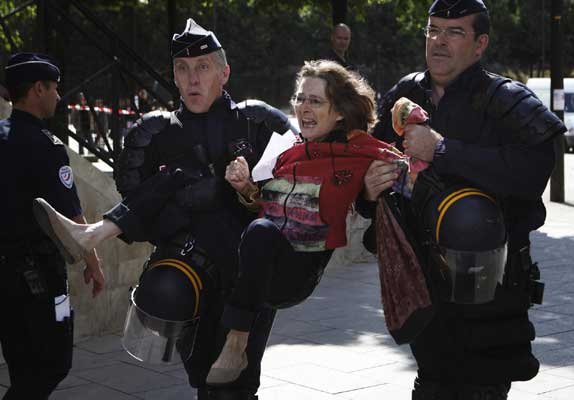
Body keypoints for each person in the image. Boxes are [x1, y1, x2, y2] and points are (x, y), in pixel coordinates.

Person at [32, 19, 294, 400]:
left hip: (244, 273)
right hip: (187, 269)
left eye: (203, 67)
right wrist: (184, 201)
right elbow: (144, 224)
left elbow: (295, 203)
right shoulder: (156, 132)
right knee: (204, 379)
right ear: (173, 75)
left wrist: (248, 192)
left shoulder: (257, 123)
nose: (192, 79)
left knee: (237, 387)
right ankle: (93, 234)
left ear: (224, 72)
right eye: (182, 69)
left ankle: (93, 234)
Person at [360, 1, 566, 399]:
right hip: (422, 286)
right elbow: (369, 170)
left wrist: (443, 150)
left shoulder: (504, 98)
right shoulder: (404, 94)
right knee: (432, 384)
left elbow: (533, 169)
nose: (439, 41)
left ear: (479, 44)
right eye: (433, 30)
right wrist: (368, 190)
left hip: (490, 294)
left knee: (480, 387)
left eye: (454, 32)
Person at [204, 59, 405, 384]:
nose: (303, 108)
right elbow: (266, 209)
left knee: (259, 233)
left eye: (315, 101)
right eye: (300, 99)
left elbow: (409, 171)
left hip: (298, 271)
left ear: (339, 111)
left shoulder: (362, 149)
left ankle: (236, 340)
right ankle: (232, 362)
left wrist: (370, 192)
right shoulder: (287, 152)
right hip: (257, 264)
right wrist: (247, 189)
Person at [0, 52, 105, 400]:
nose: (59, 97)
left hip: (5, 278)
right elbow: (75, 218)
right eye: (54, 89)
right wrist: (94, 263)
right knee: (53, 363)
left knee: (21, 365)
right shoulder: (47, 147)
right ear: (36, 90)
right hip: (39, 278)